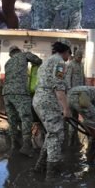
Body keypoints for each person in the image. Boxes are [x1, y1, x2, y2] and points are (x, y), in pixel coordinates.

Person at [32, 41, 72, 176]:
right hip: (48, 101)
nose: (69, 57)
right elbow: (59, 86)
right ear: (66, 51)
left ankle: (40, 166)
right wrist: (66, 108)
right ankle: (51, 174)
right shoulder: (60, 63)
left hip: (38, 99)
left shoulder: (46, 61)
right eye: (69, 53)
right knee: (56, 134)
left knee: (51, 133)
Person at [2, 45, 42, 157]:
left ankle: (14, 146)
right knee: (26, 118)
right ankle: (26, 146)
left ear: (11, 54)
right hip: (20, 92)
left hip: (6, 93)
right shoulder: (24, 55)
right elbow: (39, 61)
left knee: (12, 120)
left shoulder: (7, 63)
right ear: (19, 51)